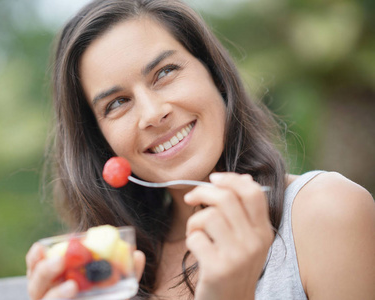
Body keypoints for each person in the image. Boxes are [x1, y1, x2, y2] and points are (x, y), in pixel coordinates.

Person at [25, 0, 375, 299]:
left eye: (165, 72)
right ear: (102, 143)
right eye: (117, 103)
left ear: (216, 77)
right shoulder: (109, 269)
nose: (152, 114)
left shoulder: (327, 211)